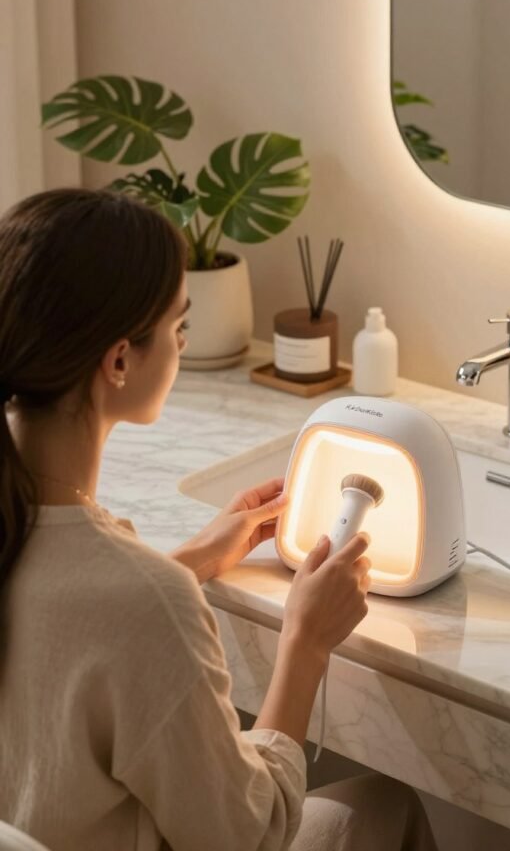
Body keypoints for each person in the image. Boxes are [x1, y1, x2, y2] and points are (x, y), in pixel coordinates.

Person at [0, 188, 437, 851]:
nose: (182, 345)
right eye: (179, 327)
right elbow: (247, 837)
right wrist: (305, 642)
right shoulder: (144, 602)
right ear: (119, 361)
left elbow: (62, 613)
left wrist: (190, 561)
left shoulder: (28, 533)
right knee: (385, 802)